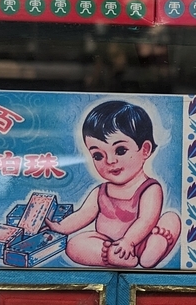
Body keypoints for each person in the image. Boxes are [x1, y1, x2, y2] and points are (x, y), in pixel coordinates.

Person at [47, 99, 181, 267]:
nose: (110, 161)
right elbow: (83, 214)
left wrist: (129, 241)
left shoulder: (150, 188)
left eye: (120, 150)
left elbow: (146, 220)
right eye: (98, 155)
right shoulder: (100, 191)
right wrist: (61, 227)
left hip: (142, 240)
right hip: (109, 244)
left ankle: (154, 248)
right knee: (74, 245)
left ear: (145, 150)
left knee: (171, 219)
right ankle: (113, 256)